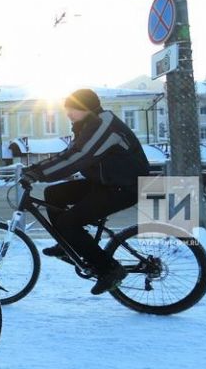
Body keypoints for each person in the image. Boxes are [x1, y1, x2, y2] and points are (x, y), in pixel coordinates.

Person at [21, 88, 150, 295]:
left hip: (125, 186)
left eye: (72, 109)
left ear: (85, 108)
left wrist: (37, 174)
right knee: (54, 194)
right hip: (106, 183)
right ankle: (68, 244)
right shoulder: (87, 126)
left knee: (68, 223)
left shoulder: (103, 125)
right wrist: (35, 169)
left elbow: (79, 156)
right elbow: (69, 153)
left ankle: (110, 269)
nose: (68, 113)